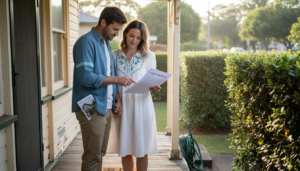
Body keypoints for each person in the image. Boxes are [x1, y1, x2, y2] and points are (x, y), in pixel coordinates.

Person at [72, 6, 135, 171]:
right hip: (89, 104)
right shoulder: (86, 42)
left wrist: (117, 98)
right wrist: (117, 80)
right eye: (115, 29)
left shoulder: (106, 44)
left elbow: (108, 73)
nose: (117, 34)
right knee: (92, 155)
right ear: (103, 22)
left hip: (105, 106)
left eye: (119, 30)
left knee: (100, 152)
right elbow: (85, 76)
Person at [108, 20, 161, 171]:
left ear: (142, 39)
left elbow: (152, 80)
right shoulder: (114, 56)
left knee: (141, 148)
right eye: (131, 36)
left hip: (142, 107)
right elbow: (111, 83)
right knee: (125, 148)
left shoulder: (148, 56)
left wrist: (154, 87)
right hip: (122, 107)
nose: (134, 40)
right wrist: (117, 101)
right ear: (124, 35)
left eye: (138, 38)